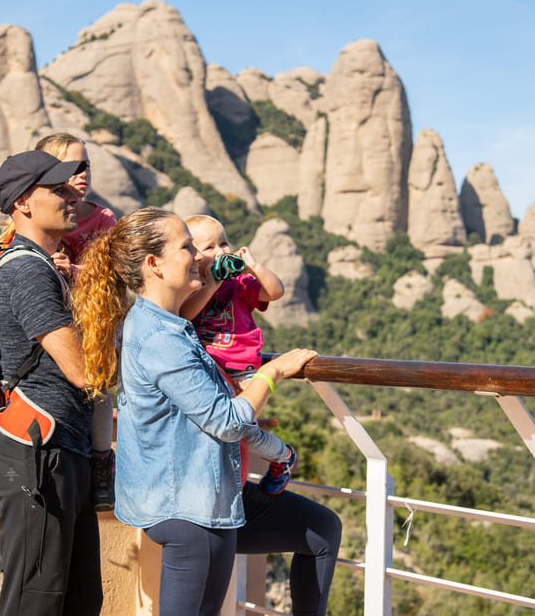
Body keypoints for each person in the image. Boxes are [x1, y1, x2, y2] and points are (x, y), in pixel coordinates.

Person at [71, 207, 342, 616]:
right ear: (154, 265)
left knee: (322, 529)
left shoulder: (166, 323)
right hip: (188, 510)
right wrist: (271, 372)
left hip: (207, 493)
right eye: (188, 246)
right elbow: (227, 422)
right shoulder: (162, 337)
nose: (199, 255)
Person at [0, 150, 102, 616]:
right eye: (55, 189)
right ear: (23, 204)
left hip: (57, 450)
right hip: (37, 456)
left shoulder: (39, 264)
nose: (71, 194)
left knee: (76, 600)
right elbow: (80, 369)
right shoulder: (27, 269)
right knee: (36, 603)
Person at [181, 214, 296, 489]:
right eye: (209, 247)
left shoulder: (240, 284)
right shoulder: (191, 288)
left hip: (241, 370)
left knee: (243, 429)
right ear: (193, 255)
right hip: (206, 370)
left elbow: (275, 291)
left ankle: (284, 456)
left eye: (224, 243)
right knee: (210, 428)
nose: (220, 251)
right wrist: (210, 285)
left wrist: (253, 267)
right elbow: (186, 314)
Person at [34, 132, 117, 511]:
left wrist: (74, 270)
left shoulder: (102, 218)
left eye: (86, 166)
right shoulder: (33, 214)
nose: (83, 173)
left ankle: (102, 465)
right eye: (73, 167)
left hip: (89, 321)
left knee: (98, 390)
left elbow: (112, 275)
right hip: (46, 322)